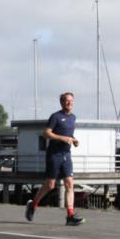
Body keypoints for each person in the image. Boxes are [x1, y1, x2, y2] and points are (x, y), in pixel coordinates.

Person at [25, 92, 84, 226]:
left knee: (70, 183)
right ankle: (33, 205)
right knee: (50, 185)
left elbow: (69, 134)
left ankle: (70, 216)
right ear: (62, 103)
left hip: (66, 155)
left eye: (71, 101)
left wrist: (74, 140)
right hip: (54, 154)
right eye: (67, 101)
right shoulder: (56, 116)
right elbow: (46, 133)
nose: (70, 103)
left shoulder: (73, 118)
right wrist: (63, 138)